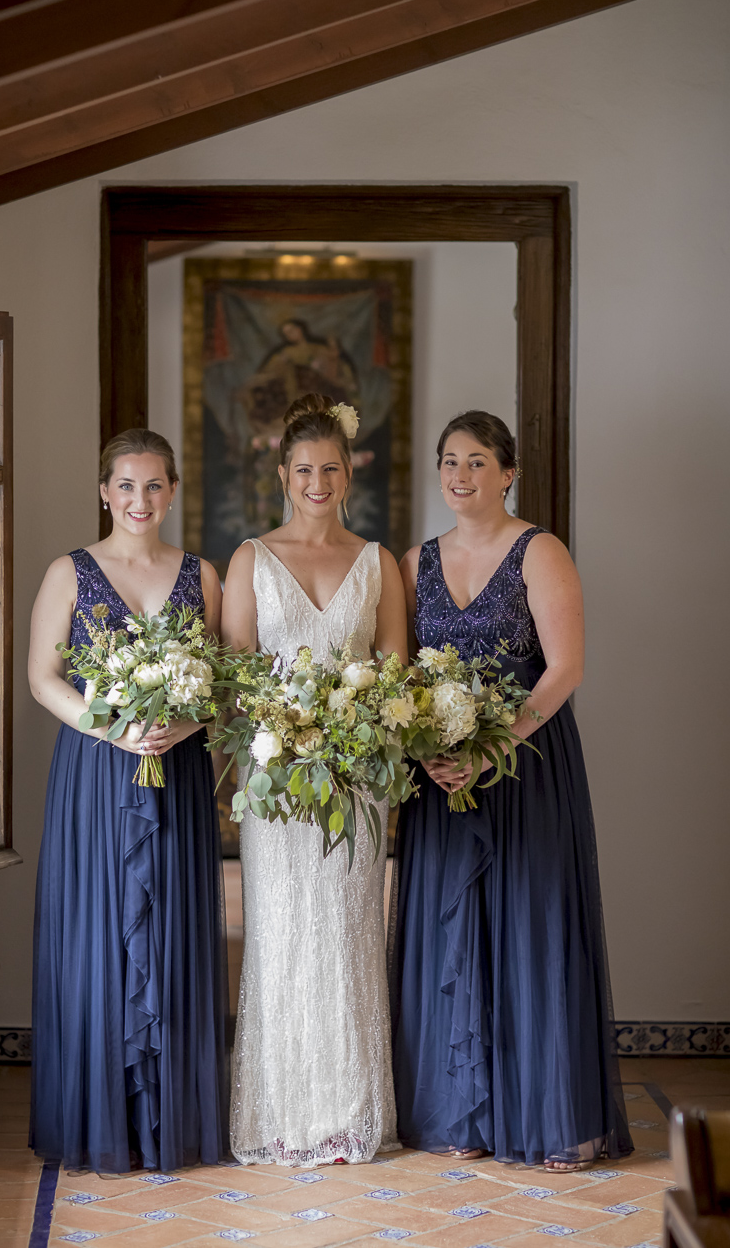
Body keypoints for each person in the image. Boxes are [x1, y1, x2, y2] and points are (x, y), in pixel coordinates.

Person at [388, 410, 632, 1170]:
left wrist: (493, 745)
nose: (460, 475)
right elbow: (401, 677)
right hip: (441, 774)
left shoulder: (540, 550)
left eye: (477, 462)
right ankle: (459, 1113)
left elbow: (565, 669)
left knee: (532, 927)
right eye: (449, 462)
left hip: (525, 767)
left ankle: (548, 1116)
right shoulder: (413, 561)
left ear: (507, 471)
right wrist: (426, 748)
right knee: (451, 931)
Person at [28, 428, 228, 1174]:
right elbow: (42, 676)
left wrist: (185, 721)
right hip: (96, 773)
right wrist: (112, 730)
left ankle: (165, 1119)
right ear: (104, 492)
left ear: (172, 490)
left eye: (154, 486)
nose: (139, 500)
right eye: (126, 486)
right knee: (99, 931)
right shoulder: (69, 573)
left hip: (174, 772)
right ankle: (101, 1118)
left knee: (169, 930)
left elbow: (219, 682)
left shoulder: (200, 575)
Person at [222, 392, 407, 1167]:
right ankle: (278, 1113)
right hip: (280, 783)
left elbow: (395, 675)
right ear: (282, 473)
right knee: (281, 935)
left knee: (348, 936)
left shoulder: (378, 562)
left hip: (356, 782)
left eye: (331, 467)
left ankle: (348, 1115)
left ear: (349, 471)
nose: (319, 480)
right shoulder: (250, 558)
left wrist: (354, 730)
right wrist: (283, 738)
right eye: (305, 468)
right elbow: (235, 678)